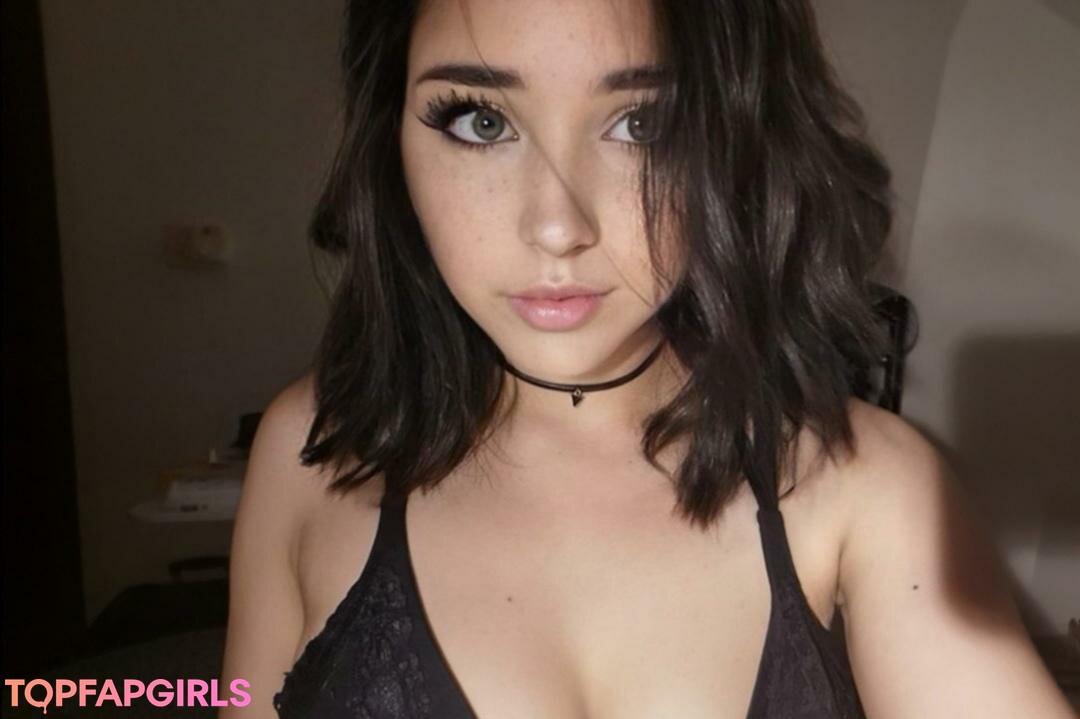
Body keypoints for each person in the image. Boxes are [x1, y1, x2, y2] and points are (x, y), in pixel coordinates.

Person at [219, 0, 1074, 717]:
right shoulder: (310, 448)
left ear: (739, 143)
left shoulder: (865, 483)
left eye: (643, 125)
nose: (557, 226)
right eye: (481, 121)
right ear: (390, 137)